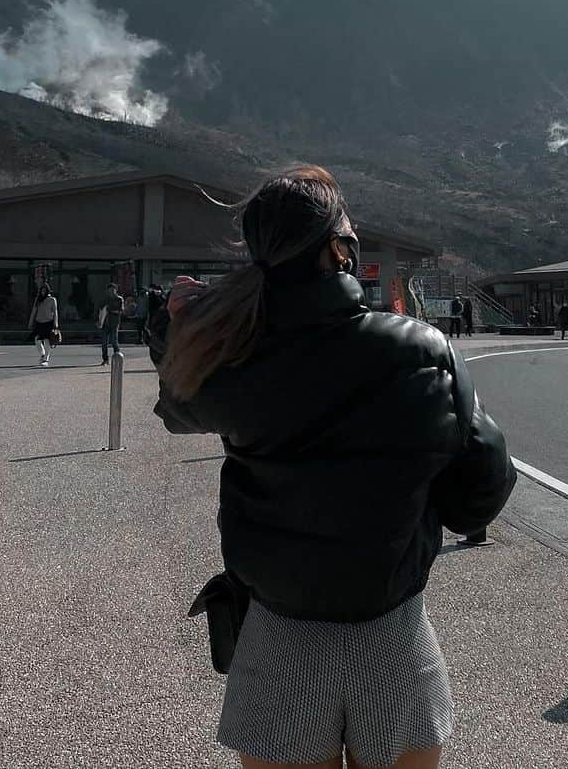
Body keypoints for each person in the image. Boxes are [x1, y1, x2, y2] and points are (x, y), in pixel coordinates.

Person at [154, 166, 515, 769]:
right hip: (393, 637)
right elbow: (476, 499)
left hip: (279, 639)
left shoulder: (233, 356)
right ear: (338, 249)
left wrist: (175, 330)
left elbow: (176, 408)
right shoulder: (422, 350)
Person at [29, 283, 59, 366]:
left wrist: (56, 323)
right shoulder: (38, 299)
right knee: (37, 340)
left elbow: (55, 312)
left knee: (47, 341)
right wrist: (30, 321)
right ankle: (43, 354)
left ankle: (46, 359)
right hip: (39, 322)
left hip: (48, 322)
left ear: (47, 291)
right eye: (42, 290)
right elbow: (34, 311)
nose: (43, 292)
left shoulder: (52, 299)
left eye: (44, 290)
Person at [98, 282, 124, 365]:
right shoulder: (105, 299)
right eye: (110, 290)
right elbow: (100, 310)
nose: (111, 292)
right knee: (104, 343)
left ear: (116, 290)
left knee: (114, 342)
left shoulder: (119, 299)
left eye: (113, 290)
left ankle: (117, 358)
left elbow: (121, 310)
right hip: (105, 323)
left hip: (114, 323)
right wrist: (98, 320)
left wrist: (111, 310)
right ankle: (105, 359)